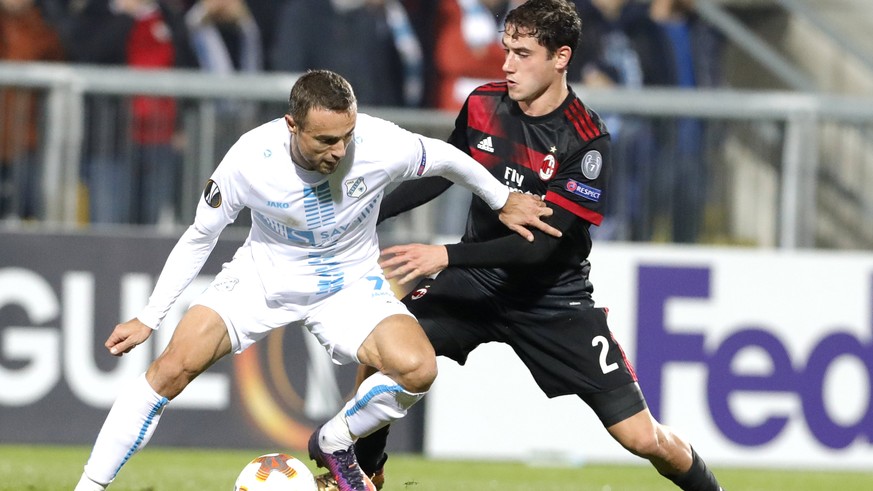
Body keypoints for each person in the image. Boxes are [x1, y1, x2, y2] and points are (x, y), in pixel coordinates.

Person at [72, 69, 558, 491]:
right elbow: (200, 236)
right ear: (292, 126)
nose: (340, 149)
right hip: (262, 277)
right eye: (326, 140)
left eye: (346, 136)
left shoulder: (379, 143)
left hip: (350, 283)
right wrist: (149, 316)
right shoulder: (249, 159)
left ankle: (334, 441)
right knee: (171, 370)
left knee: (418, 369)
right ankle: (90, 484)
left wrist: (501, 199)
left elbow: (449, 159)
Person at [321, 1, 727, 490]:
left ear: (561, 57)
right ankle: (369, 468)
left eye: (523, 53)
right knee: (384, 350)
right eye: (506, 50)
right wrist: (366, 212)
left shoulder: (586, 140)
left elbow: (540, 248)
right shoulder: (482, 104)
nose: (507, 65)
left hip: (552, 299)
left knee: (643, 439)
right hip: (475, 283)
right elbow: (443, 174)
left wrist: (447, 254)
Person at [0, 0, 65, 220]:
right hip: (14, 133)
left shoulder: (41, 25)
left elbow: (53, 59)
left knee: (24, 211)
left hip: (24, 137)